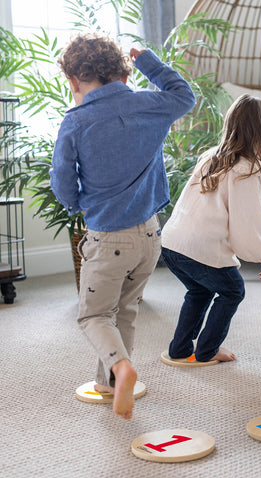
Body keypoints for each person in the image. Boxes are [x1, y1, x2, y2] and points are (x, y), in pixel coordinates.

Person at [50, 33, 195, 418]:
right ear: (125, 76)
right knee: (125, 310)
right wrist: (147, 60)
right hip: (150, 237)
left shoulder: (76, 121)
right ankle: (110, 384)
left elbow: (63, 183)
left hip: (107, 239)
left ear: (74, 82)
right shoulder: (151, 104)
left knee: (95, 315)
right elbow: (185, 94)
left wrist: (78, 204)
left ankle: (120, 368)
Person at [161, 94, 261, 363]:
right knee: (232, 291)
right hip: (200, 248)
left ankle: (180, 348)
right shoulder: (245, 171)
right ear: (260, 137)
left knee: (199, 290)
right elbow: (246, 224)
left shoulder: (211, 156)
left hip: (172, 244)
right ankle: (207, 350)